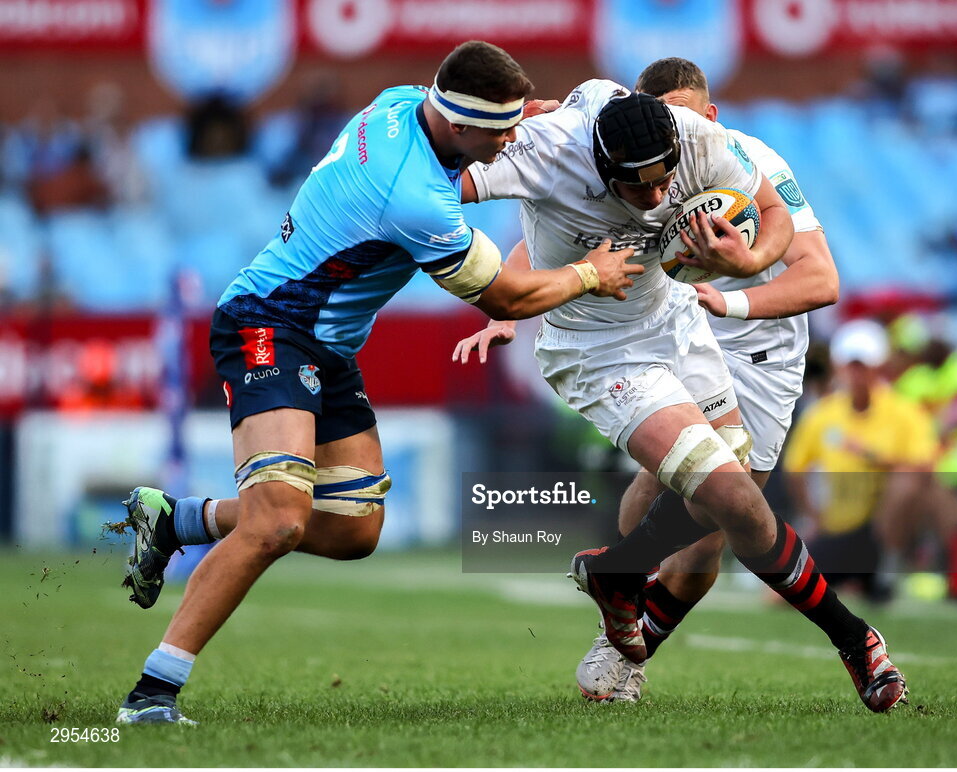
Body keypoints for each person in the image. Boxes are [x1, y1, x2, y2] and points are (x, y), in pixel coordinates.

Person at [114, 40, 641, 726]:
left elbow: (473, 131)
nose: (514, 138)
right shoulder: (412, 196)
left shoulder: (399, 101)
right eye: (503, 128)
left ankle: (179, 519)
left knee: (354, 529)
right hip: (269, 324)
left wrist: (530, 119)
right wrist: (589, 273)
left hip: (323, 344)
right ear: (458, 124)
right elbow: (507, 299)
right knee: (278, 518)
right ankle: (151, 696)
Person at [451, 73, 906, 712]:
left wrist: (741, 276)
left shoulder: (714, 147)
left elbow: (803, 255)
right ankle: (855, 641)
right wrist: (504, 303)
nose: (664, 192)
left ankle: (621, 577)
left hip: (723, 335)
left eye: (670, 167)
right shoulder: (556, 150)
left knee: (727, 512)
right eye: (642, 181)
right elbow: (478, 196)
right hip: (612, 344)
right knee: (720, 493)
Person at [785, 319, 941, 600]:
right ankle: (861, 576)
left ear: (879, 367)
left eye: (864, 365)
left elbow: (923, 467)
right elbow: (794, 470)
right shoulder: (823, 414)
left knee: (907, 482)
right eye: (851, 365)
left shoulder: (905, 412)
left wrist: (870, 456)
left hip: (881, 525)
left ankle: (886, 568)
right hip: (840, 527)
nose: (857, 374)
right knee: (786, 595)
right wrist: (813, 517)